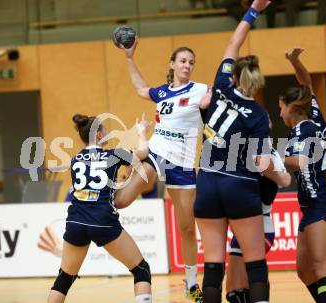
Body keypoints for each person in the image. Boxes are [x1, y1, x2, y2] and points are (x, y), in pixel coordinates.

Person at [114, 38, 210, 302]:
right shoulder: (163, 92)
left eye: (191, 62)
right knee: (121, 201)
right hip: (157, 154)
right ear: (173, 64)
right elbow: (141, 89)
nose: (187, 65)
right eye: (182, 61)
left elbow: (221, 96)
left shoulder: (201, 89)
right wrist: (129, 58)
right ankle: (99, 202)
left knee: (187, 228)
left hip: (183, 165)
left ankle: (191, 283)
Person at [193, 0, 274, 302]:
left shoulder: (221, 85)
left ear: (235, 77)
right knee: (254, 263)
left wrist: (254, 9)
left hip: (208, 183)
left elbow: (232, 43)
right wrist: (276, 173)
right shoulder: (258, 115)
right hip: (238, 184)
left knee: (213, 266)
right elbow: (261, 162)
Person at [47, 114, 153, 303]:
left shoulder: (75, 160)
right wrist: (141, 132)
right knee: (141, 269)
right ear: (98, 136)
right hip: (102, 221)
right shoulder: (114, 154)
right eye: (104, 131)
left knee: (64, 278)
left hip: (75, 221)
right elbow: (143, 152)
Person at [279, 47, 326, 303]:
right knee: (305, 271)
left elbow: (299, 162)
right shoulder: (313, 115)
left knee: (321, 269)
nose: (280, 112)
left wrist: (269, 158)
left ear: (292, 108)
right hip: (311, 206)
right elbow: (306, 83)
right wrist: (295, 61)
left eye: (281, 107)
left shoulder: (305, 130)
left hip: (323, 204)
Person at [225, 148, 291, 303]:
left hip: (260, 227)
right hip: (240, 231)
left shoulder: (271, 155)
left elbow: (270, 194)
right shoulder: (234, 151)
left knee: (242, 290)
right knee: (235, 292)